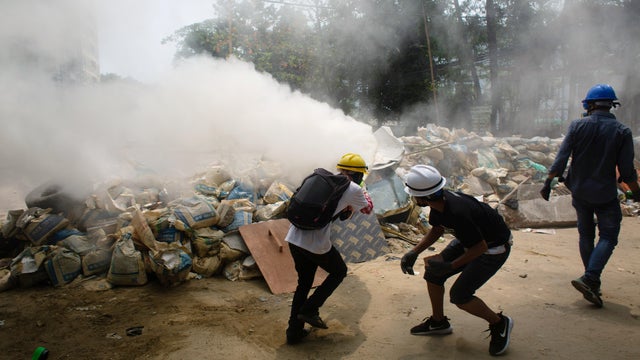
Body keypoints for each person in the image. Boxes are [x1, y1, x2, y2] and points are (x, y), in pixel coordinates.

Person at [540, 84, 640, 308]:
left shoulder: (577, 126)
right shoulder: (622, 131)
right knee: (609, 236)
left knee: (586, 235)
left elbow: (560, 160)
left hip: (580, 192)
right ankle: (591, 278)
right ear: (612, 105)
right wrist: (636, 191)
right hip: (605, 194)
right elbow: (626, 171)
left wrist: (548, 183)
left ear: (590, 104)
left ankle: (591, 281)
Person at [400, 165, 513, 356]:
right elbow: (437, 229)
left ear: (422, 197)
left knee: (460, 296)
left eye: (413, 195)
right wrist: (414, 252)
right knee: (433, 273)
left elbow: (481, 248)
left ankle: (499, 323)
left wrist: (450, 266)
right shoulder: (439, 203)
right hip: (470, 240)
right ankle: (438, 322)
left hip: (494, 248)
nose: (413, 198)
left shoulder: (459, 211)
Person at [285, 153, 374, 345]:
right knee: (339, 272)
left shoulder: (322, 180)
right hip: (315, 244)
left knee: (304, 283)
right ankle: (310, 309)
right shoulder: (353, 188)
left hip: (293, 237)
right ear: (358, 175)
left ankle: (293, 331)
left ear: (340, 168)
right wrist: (362, 190)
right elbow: (368, 209)